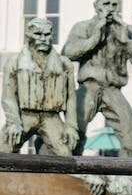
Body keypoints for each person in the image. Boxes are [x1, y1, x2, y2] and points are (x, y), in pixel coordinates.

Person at [62, 0, 132, 157]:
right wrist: (94, 37)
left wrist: (126, 41)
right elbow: (68, 53)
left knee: (130, 140)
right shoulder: (83, 27)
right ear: (96, 6)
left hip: (113, 90)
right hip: (88, 88)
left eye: (114, 4)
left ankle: (127, 179)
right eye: (106, 4)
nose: (110, 8)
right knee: (75, 135)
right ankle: (71, 173)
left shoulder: (127, 30)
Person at [2, 18, 79, 155]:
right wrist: (13, 122)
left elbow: (71, 98)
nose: (43, 38)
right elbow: (8, 97)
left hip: (52, 118)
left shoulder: (64, 64)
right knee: (4, 147)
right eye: (38, 34)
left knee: (65, 154)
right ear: (28, 36)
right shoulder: (14, 62)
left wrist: (71, 126)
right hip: (24, 116)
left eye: (47, 34)